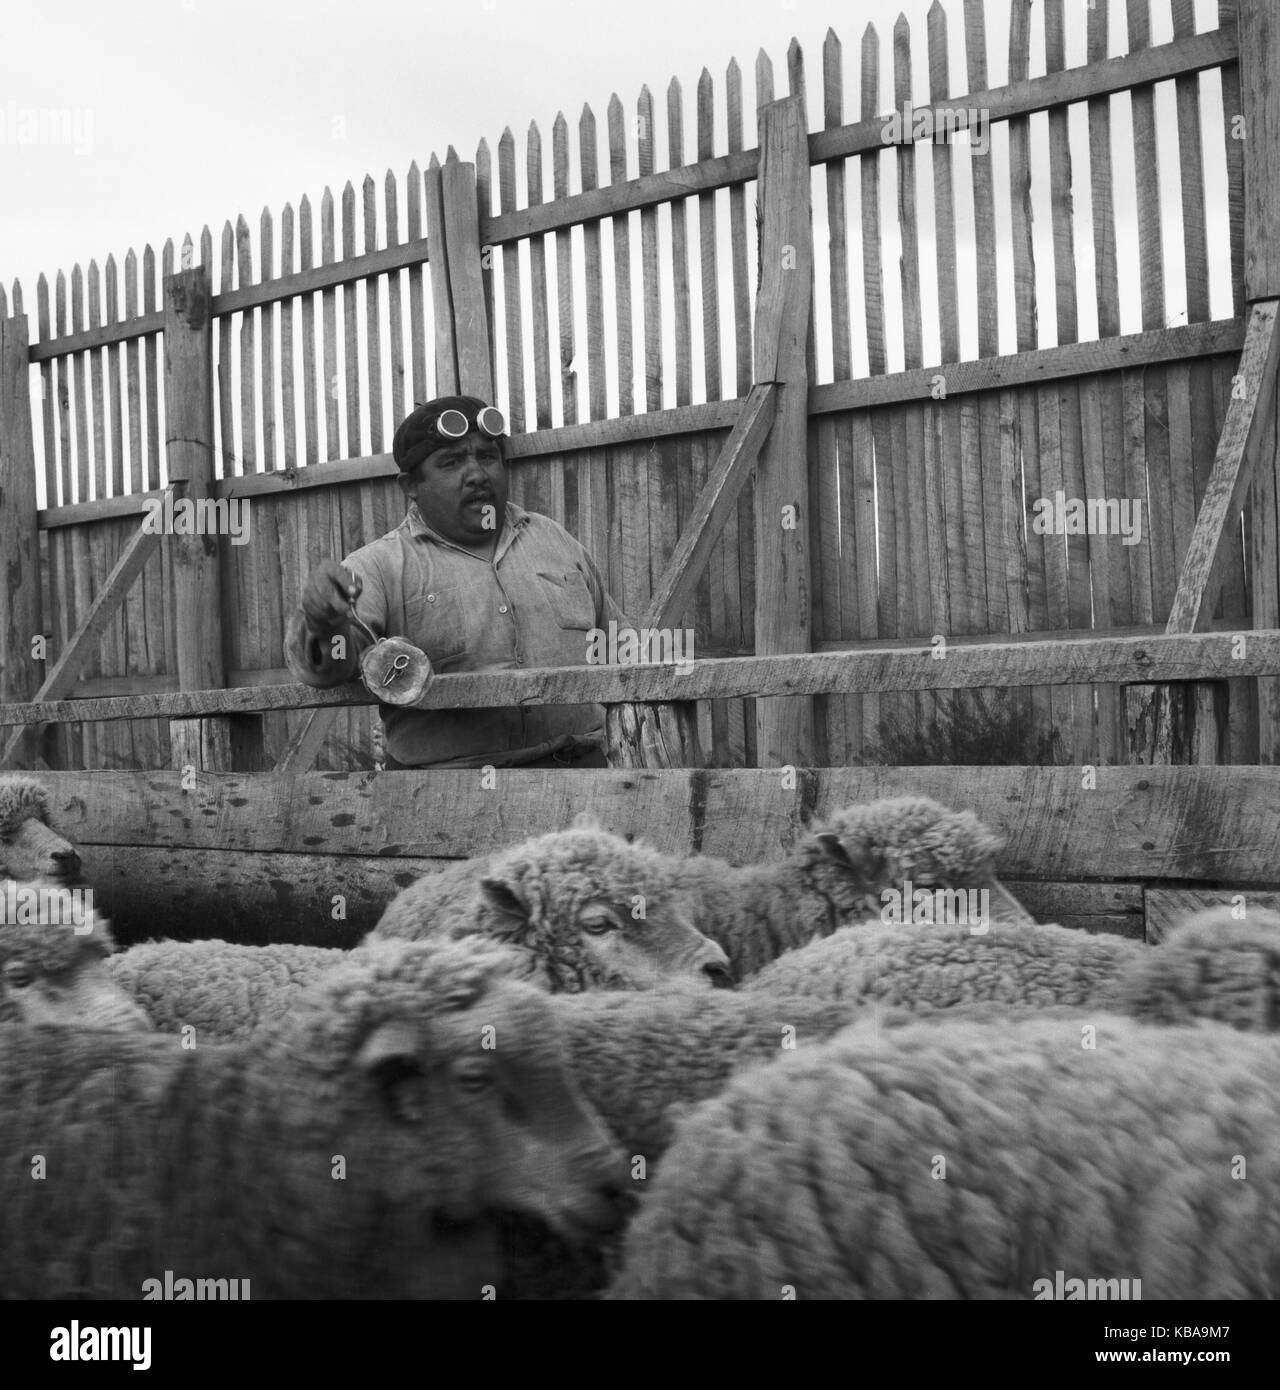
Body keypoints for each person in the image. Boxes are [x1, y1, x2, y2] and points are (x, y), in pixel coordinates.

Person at [284, 394, 629, 769]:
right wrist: (320, 624)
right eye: (450, 463)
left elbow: (621, 649)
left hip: (584, 778)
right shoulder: (380, 567)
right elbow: (332, 668)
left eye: (487, 456)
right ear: (410, 486)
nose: (477, 475)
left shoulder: (553, 540)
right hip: (447, 798)